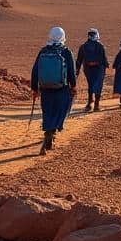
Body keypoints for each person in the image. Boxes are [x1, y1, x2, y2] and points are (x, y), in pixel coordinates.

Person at [31, 26, 77, 155]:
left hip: (45, 88)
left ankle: (48, 133)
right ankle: (52, 132)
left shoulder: (43, 51)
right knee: (60, 110)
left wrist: (34, 88)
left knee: (47, 111)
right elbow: (71, 71)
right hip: (62, 88)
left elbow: (35, 70)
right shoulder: (66, 52)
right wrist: (73, 86)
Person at [74, 28, 109, 111]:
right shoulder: (100, 46)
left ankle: (89, 104)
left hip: (88, 69)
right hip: (99, 69)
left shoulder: (83, 46)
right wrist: (106, 66)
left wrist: (77, 72)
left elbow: (79, 61)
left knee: (90, 84)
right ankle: (96, 105)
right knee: (98, 85)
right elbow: (104, 59)